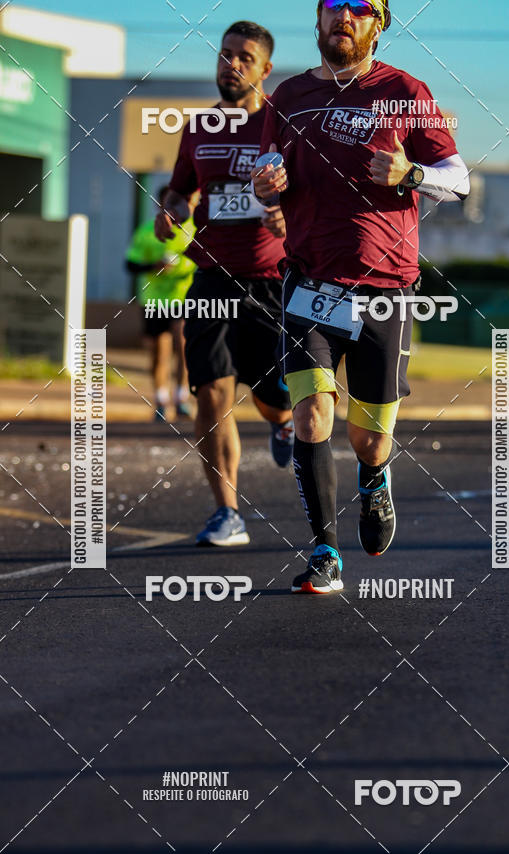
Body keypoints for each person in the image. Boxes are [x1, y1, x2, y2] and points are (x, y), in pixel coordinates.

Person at [252, 0, 470, 592]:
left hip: (384, 291)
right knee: (311, 415)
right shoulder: (288, 97)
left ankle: (375, 478)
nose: (343, 15)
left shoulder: (404, 90)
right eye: (332, 5)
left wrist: (411, 175)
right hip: (308, 283)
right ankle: (325, 548)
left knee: (369, 434)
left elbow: (459, 178)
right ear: (317, 20)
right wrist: (264, 184)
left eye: (359, 7)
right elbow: (268, 175)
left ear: (379, 24)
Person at [155, 20, 294, 548]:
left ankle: (282, 422)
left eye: (244, 56)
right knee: (212, 391)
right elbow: (179, 191)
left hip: (270, 283)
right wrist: (169, 212)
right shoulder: (199, 127)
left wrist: (287, 217)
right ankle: (227, 513)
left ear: (264, 70)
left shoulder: (283, 127)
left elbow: (310, 197)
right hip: (212, 277)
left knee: (268, 391)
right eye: (225, 53)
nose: (230, 64)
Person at [126, 185, 196, 421]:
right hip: (155, 300)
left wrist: (183, 268)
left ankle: (182, 397)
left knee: (183, 346)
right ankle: (161, 400)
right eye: (168, 204)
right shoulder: (147, 231)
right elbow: (131, 264)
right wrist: (155, 266)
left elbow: (210, 262)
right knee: (159, 353)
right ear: (159, 205)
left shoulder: (195, 229)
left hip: (183, 298)